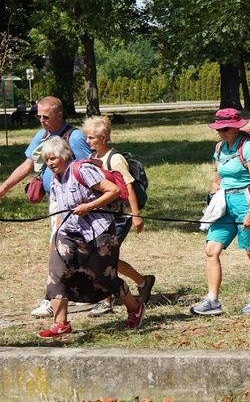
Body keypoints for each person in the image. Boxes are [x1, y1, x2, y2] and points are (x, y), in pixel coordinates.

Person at [36, 136, 145, 338]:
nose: (50, 163)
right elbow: (61, 210)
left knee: (103, 276)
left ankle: (134, 307)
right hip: (69, 233)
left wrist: (90, 206)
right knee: (57, 274)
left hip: (98, 231)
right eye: (47, 160)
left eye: (53, 158)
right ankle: (61, 323)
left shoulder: (82, 170)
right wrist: (56, 236)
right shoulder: (54, 178)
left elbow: (114, 190)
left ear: (65, 156)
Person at [0, 96, 91, 318]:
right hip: (55, 201)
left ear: (59, 115)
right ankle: (77, 292)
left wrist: (89, 203)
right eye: (38, 115)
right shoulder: (43, 136)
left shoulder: (75, 137)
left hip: (73, 204)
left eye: (46, 116)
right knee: (69, 249)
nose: (41, 120)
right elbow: (28, 164)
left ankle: (53, 299)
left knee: (58, 248)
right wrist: (3, 188)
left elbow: (91, 169)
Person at [191, 109, 250, 315]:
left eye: (224, 129)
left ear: (235, 127)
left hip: (246, 201)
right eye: (218, 129)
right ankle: (213, 300)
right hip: (224, 201)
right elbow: (217, 178)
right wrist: (212, 205)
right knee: (211, 250)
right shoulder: (219, 148)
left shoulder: (248, 147)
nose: (220, 132)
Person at [81, 116, 156, 317]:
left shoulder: (115, 159)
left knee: (104, 258)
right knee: (105, 258)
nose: (88, 142)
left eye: (91, 138)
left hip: (120, 217)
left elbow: (128, 186)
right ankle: (143, 281)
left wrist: (136, 215)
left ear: (103, 138)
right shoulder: (96, 158)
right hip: (104, 216)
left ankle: (106, 301)